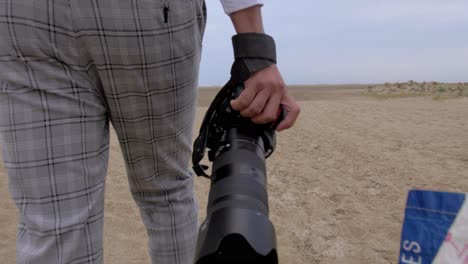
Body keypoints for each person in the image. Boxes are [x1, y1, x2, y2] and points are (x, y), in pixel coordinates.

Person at [0, 0, 300, 263]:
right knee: (164, 194)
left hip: (23, 20)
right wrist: (254, 44)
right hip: (143, 16)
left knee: (54, 223)